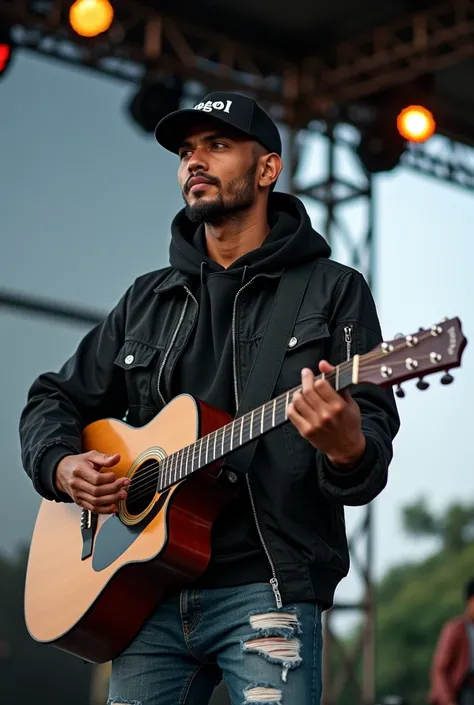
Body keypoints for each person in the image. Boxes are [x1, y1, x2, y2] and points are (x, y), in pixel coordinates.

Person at [19, 91, 400, 705]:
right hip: (144, 594)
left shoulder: (332, 292)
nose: (194, 162)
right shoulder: (147, 298)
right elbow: (52, 399)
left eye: (217, 146)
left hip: (267, 587)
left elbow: (369, 454)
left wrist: (347, 445)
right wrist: (63, 468)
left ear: (267, 169)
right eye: (186, 152)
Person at [429, 578, 474, 705]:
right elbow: (439, 670)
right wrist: (447, 700)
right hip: (463, 691)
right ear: (470, 601)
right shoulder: (456, 629)